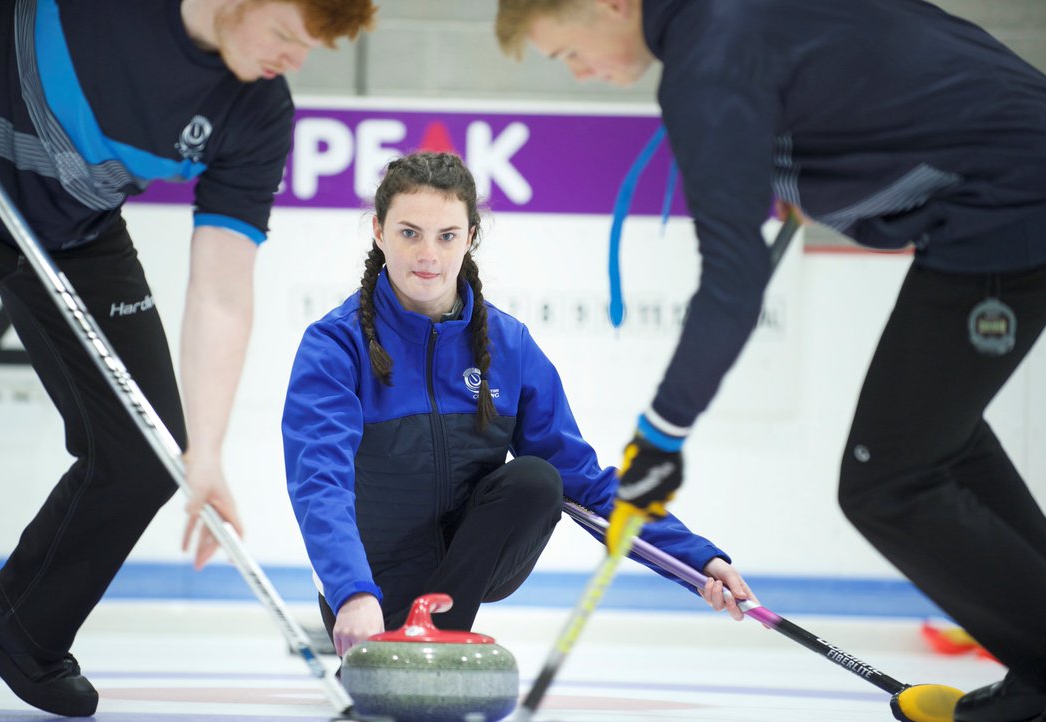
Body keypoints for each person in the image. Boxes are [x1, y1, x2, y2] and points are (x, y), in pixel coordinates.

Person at [494, 0, 1046, 722]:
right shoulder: (727, 23)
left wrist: (662, 432)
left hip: (1011, 198)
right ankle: (1041, 667)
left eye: (568, 52)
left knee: (890, 480)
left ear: (611, 5)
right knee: (939, 447)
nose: (582, 73)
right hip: (1011, 183)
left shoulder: (708, 59)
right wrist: (811, 164)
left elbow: (733, 279)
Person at [0, 0, 377, 722]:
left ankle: (18, 623)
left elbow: (222, 292)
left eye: (309, 47)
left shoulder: (257, 109)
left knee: (149, 451)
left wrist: (208, 453)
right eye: (287, 35)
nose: (293, 60)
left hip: (71, 228)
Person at [278, 150, 754, 657]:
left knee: (537, 480)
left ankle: (436, 639)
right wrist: (352, 592)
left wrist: (696, 561)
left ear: (470, 237)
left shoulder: (508, 345)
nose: (428, 255)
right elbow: (320, 483)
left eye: (447, 236)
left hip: (464, 575)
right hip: (371, 587)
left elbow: (584, 483)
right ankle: (399, 645)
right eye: (409, 233)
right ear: (379, 231)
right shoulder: (335, 345)